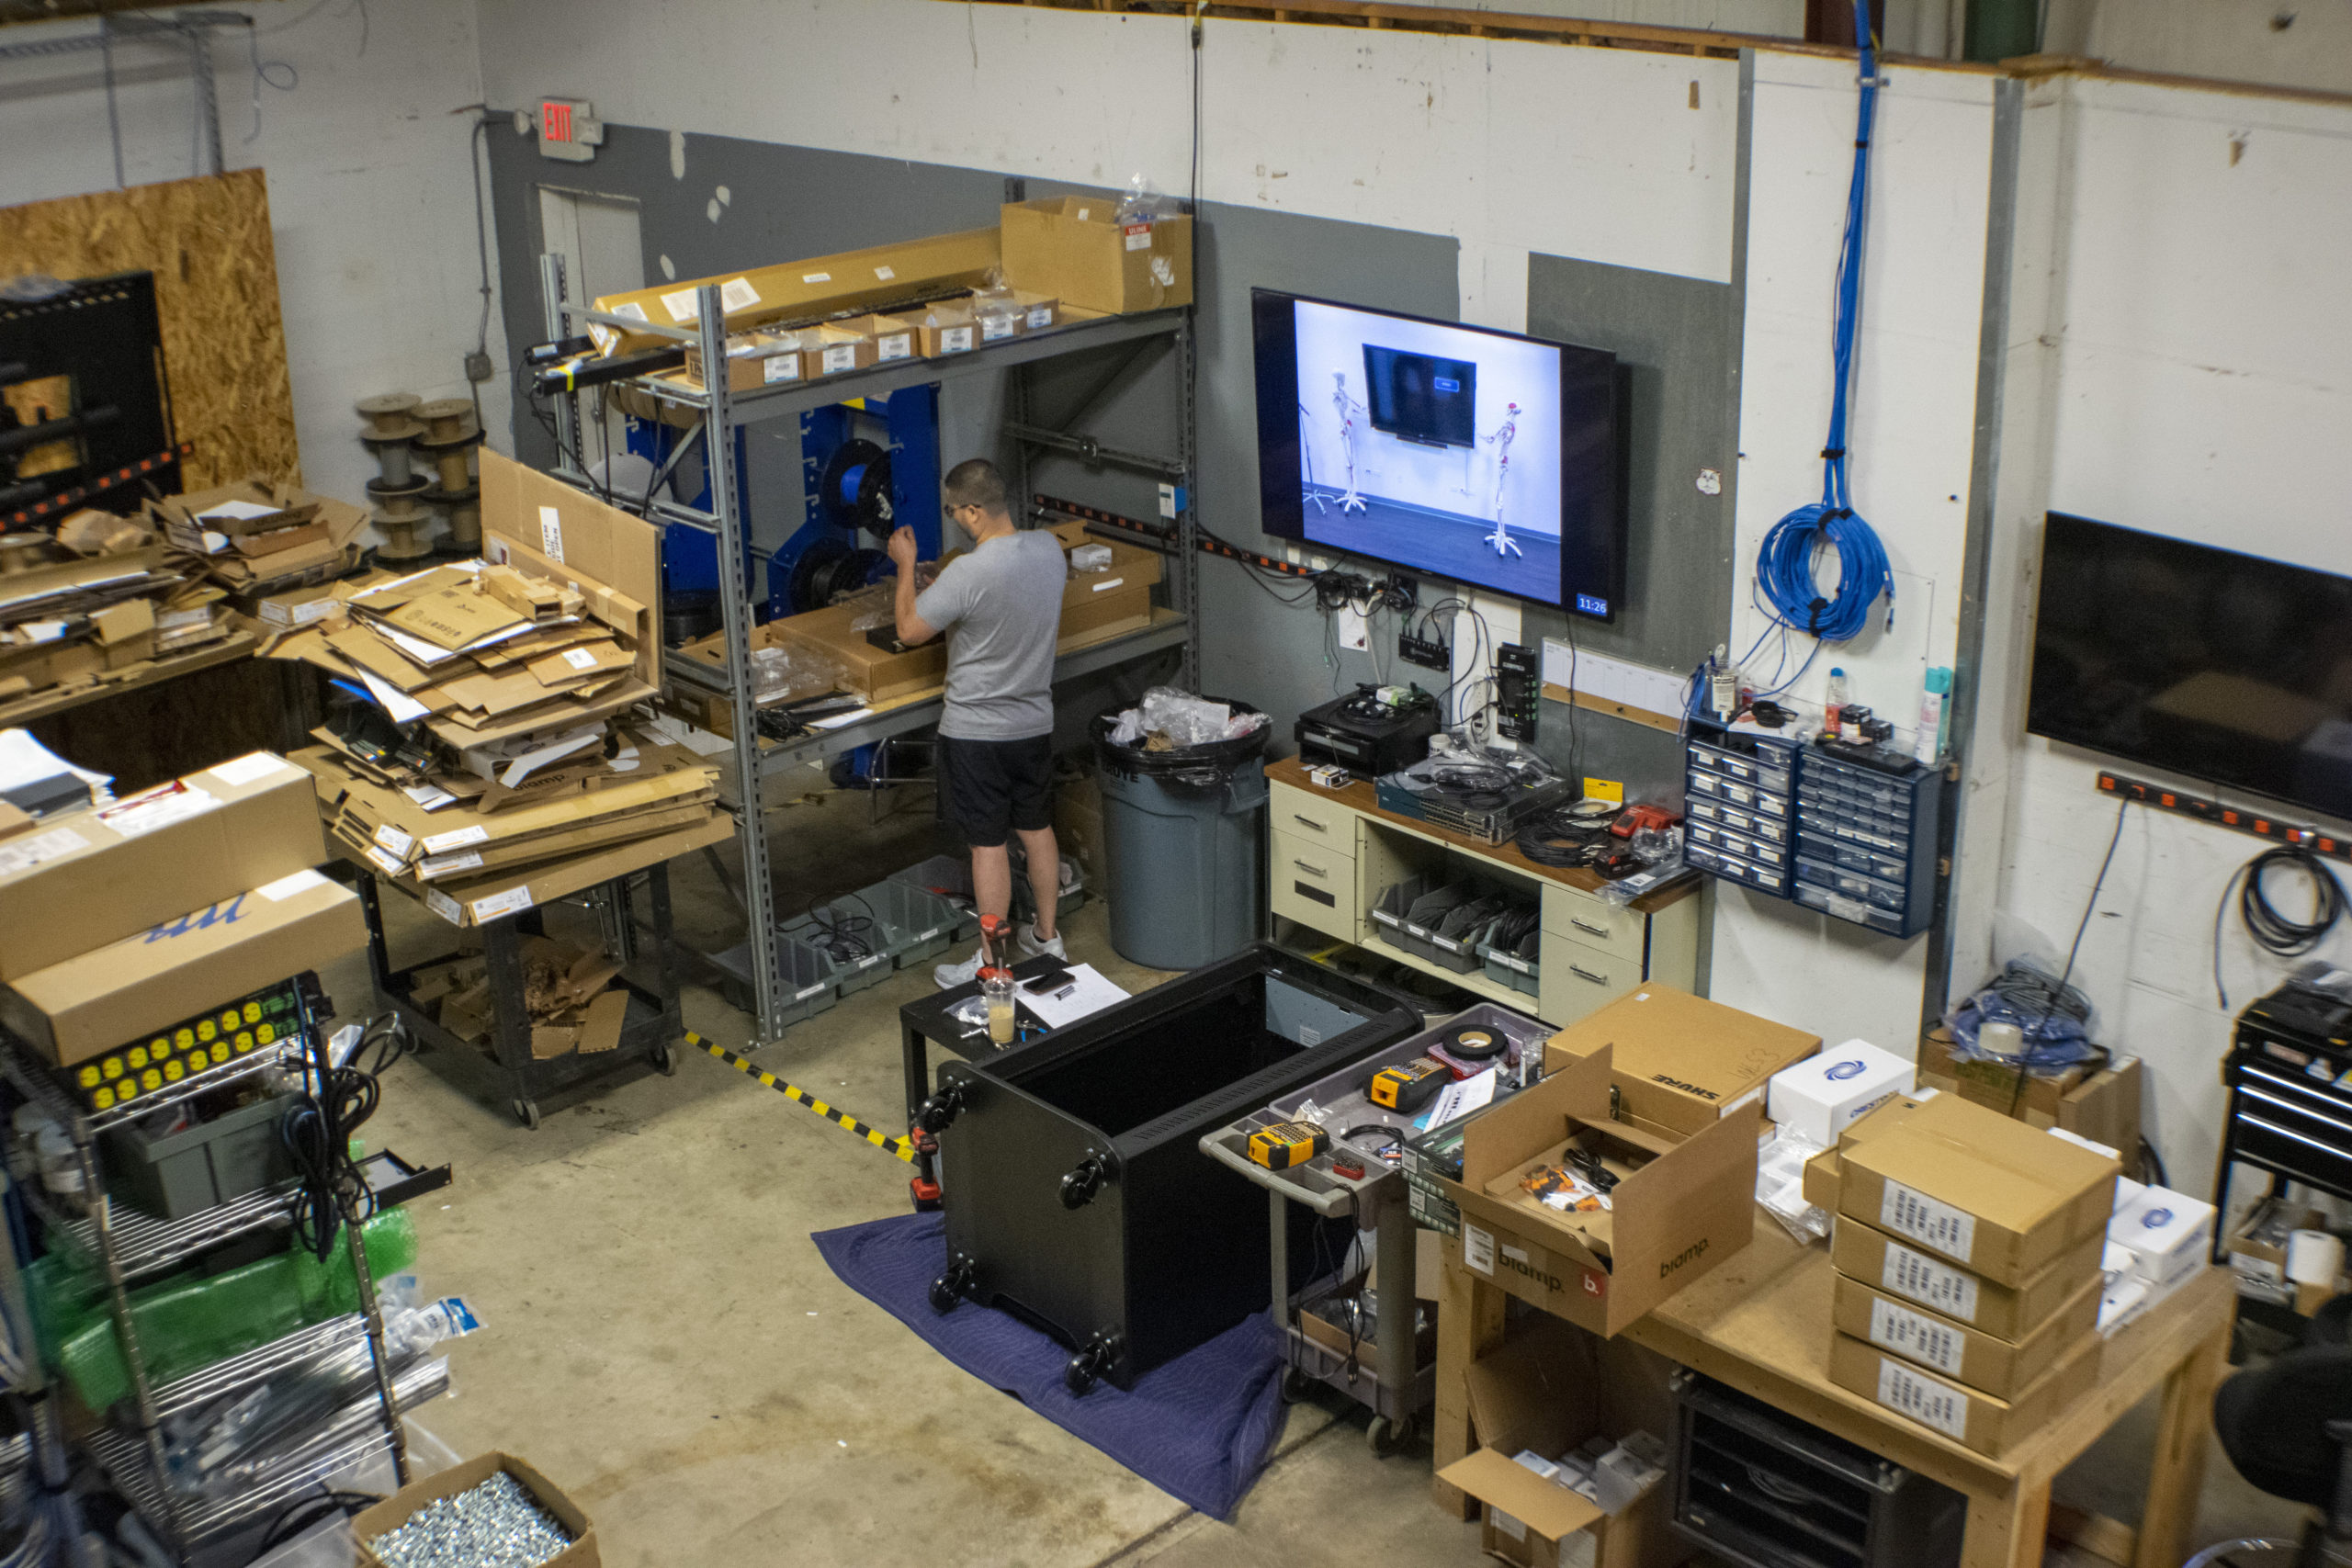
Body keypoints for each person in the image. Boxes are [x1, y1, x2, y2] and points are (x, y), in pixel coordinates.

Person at [886, 458, 1069, 987]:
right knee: (1037, 829)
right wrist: (943, 586)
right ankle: (1047, 937)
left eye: (953, 511)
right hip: (1033, 722)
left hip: (976, 734)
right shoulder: (1048, 549)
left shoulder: (968, 573)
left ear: (972, 510)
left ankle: (993, 962)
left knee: (988, 846)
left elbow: (909, 630)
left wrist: (906, 566)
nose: (953, 519)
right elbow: (1004, 595)